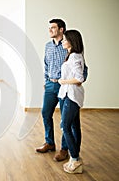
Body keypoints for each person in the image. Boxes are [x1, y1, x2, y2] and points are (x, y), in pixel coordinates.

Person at [36, 19, 87, 162]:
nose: (50, 30)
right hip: (50, 84)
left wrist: (78, 81)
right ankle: (49, 142)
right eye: (49, 28)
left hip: (65, 87)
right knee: (45, 113)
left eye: (53, 27)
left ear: (61, 29)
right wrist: (46, 79)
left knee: (67, 121)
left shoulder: (69, 46)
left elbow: (83, 69)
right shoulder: (48, 46)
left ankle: (65, 149)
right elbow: (46, 63)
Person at [58, 30, 85, 173]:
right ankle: (75, 159)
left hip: (71, 95)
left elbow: (79, 78)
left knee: (65, 126)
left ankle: (74, 158)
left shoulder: (74, 56)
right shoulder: (73, 55)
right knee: (74, 126)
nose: (62, 41)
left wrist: (63, 81)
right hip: (70, 94)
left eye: (65, 39)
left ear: (72, 41)